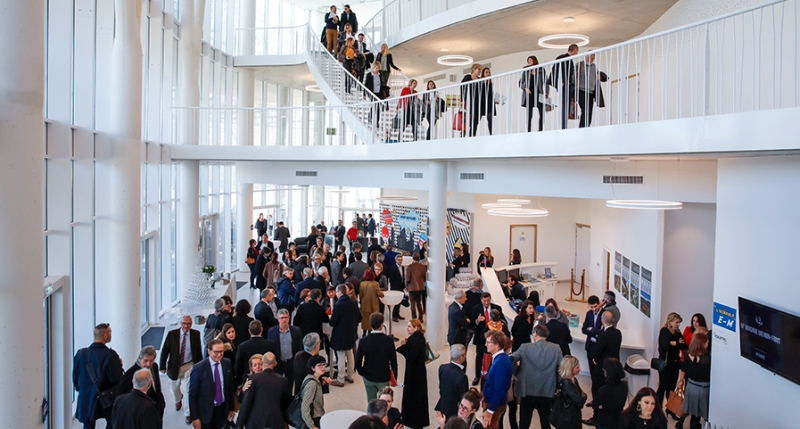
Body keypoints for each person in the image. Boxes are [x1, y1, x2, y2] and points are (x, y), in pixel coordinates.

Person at [510, 324, 563, 429]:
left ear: (535, 334)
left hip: (527, 389)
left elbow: (512, 359)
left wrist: (516, 372)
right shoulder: (556, 348)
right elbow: (562, 368)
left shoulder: (525, 347)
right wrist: (558, 385)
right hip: (547, 389)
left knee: (524, 422)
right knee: (545, 421)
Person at [73, 323, 124, 429]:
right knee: (111, 422)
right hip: (106, 399)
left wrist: (83, 389)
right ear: (105, 335)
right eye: (110, 332)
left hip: (86, 397)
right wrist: (119, 366)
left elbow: (76, 377)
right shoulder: (110, 355)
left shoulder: (81, 354)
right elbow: (115, 379)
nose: (111, 335)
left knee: (88, 425)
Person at [160, 315, 202, 423]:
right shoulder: (172, 334)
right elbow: (165, 351)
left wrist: (200, 367)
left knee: (188, 389)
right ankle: (178, 399)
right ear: (180, 323)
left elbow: (198, 351)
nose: (186, 326)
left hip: (189, 365)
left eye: (188, 324)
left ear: (191, 324)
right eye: (184, 323)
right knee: (175, 388)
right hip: (175, 366)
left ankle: (188, 413)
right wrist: (162, 366)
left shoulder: (195, 334)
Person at [235, 352, 292, 429]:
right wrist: (243, 390)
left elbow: (245, 404)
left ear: (264, 364)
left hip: (256, 421)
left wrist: (239, 425)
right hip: (273, 420)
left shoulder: (253, 379)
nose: (258, 367)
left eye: (260, 364)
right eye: (255, 365)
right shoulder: (282, 380)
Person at [189, 339, 235, 429]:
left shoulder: (227, 363)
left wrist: (231, 408)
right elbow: (192, 395)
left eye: (221, 351)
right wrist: (195, 418)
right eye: (216, 352)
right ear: (209, 351)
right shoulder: (198, 368)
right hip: (205, 413)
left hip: (222, 409)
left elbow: (230, 388)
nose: (219, 354)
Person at [356, 312, 399, 403]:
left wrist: (362, 372)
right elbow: (393, 361)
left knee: (371, 403)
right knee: (384, 404)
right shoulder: (388, 341)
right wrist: (394, 377)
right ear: (382, 325)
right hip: (383, 377)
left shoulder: (364, 341)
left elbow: (358, 361)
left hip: (369, 376)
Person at [397, 319, 430, 429]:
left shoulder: (418, 341)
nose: (407, 328)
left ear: (416, 328)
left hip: (416, 374)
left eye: (409, 326)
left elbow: (411, 357)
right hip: (414, 371)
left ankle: (414, 421)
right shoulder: (415, 339)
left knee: (415, 397)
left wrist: (404, 345)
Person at [118, 346, 165, 423]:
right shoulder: (130, 374)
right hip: (142, 412)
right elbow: (122, 394)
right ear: (139, 359)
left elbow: (157, 386)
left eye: (151, 360)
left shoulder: (155, 367)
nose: (148, 364)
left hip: (157, 408)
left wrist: (161, 403)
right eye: (145, 360)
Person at [676, 332, 711, 429]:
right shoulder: (708, 358)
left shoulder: (688, 355)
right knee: (701, 415)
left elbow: (684, 368)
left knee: (693, 414)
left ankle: (680, 424)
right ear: (702, 344)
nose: (708, 344)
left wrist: (681, 380)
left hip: (691, 387)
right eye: (706, 342)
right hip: (703, 389)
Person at [330, 284, 361, 387]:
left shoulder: (338, 305)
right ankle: (350, 375)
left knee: (341, 356)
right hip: (351, 332)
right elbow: (359, 317)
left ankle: (341, 378)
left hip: (340, 335)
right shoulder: (353, 302)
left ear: (340, 292)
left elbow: (333, 322)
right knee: (350, 354)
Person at [481, 330, 512, 429]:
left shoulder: (501, 362)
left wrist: (490, 410)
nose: (486, 345)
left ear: (497, 345)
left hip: (494, 405)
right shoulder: (500, 358)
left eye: (488, 342)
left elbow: (499, 389)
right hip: (493, 402)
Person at [234, 320, 280, 386]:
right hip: (268, 379)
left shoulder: (242, 347)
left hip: (249, 380)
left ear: (249, 331)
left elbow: (238, 366)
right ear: (261, 330)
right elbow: (277, 362)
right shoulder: (271, 344)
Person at [470, 292, 502, 386]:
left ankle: (492, 375)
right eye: (485, 301)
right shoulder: (476, 309)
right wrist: (477, 320)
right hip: (481, 338)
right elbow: (472, 323)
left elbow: (502, 320)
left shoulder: (497, 308)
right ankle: (477, 376)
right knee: (479, 356)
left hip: (494, 339)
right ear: (481, 300)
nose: (487, 303)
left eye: (488, 300)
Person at [586, 358, 628, 429]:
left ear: (606, 372)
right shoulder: (624, 385)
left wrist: (602, 406)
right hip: (618, 419)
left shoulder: (604, 390)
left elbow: (595, 405)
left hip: (604, 422)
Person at [656, 312, 687, 407]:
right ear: (670, 322)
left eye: (679, 323)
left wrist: (675, 343)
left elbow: (684, 345)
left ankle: (670, 408)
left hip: (675, 363)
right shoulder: (664, 331)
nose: (678, 325)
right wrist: (677, 343)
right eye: (677, 322)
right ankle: (658, 406)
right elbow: (666, 346)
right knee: (663, 386)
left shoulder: (677, 332)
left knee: (672, 387)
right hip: (666, 363)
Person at [267, 309, 303, 388]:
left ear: (289, 318)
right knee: (277, 385)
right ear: (278, 319)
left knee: (290, 385)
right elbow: (270, 347)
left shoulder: (296, 331)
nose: (284, 320)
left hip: (291, 362)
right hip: (278, 363)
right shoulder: (272, 331)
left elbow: (299, 346)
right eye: (282, 318)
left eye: (286, 317)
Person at [589, 311, 622, 398]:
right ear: (613, 320)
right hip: (615, 363)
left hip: (603, 364)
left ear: (602, 321)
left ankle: (597, 400)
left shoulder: (603, 335)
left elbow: (598, 350)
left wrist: (595, 359)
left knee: (597, 384)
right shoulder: (618, 333)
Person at [548, 43, 578, 129]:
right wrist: (559, 82)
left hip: (569, 85)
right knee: (565, 104)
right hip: (563, 84)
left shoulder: (569, 59)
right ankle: (564, 124)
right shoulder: (562, 58)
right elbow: (556, 70)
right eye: (576, 51)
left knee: (568, 102)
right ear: (574, 50)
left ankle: (569, 116)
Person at [436, 344, 470, 420]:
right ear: (461, 357)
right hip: (454, 410)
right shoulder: (462, 377)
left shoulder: (442, 368)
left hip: (443, 405)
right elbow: (463, 397)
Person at [556, 355, 588, 429]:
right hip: (570, 416)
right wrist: (584, 395)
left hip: (572, 414)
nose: (580, 369)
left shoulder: (572, 379)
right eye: (577, 367)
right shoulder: (567, 383)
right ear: (569, 369)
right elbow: (579, 400)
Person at [576, 52, 606, 128]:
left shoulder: (594, 67)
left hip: (590, 92)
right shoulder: (579, 65)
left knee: (589, 111)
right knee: (585, 110)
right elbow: (573, 77)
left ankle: (586, 127)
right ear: (585, 57)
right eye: (588, 57)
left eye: (592, 58)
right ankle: (582, 128)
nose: (590, 59)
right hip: (581, 90)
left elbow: (598, 76)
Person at [300, 355, 328, 429]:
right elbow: (305, 406)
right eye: (319, 365)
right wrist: (312, 426)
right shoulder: (312, 384)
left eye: (324, 364)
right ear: (313, 368)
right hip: (314, 417)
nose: (323, 367)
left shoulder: (314, 378)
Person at [520, 56, 546, 132]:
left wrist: (547, 92)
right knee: (529, 114)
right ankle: (528, 130)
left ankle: (541, 129)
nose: (529, 62)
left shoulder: (541, 70)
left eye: (530, 60)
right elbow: (521, 82)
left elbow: (546, 82)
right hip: (529, 94)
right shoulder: (526, 70)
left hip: (539, 93)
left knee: (541, 112)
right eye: (528, 61)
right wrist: (525, 88)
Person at [581, 295, 603, 378]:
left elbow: (603, 332)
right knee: (591, 368)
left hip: (599, 345)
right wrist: (596, 332)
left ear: (599, 304)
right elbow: (584, 329)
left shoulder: (604, 314)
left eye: (595, 306)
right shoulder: (589, 313)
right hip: (590, 345)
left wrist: (592, 330)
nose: (594, 309)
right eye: (592, 307)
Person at [460, 63, 482, 137]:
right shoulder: (467, 77)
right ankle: (463, 133)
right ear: (473, 69)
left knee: (476, 118)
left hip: (477, 101)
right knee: (467, 117)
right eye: (478, 69)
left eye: (480, 69)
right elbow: (462, 88)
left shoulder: (480, 79)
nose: (480, 71)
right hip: (468, 100)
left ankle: (472, 133)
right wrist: (462, 100)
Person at [360, 270, 385, 334]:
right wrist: (382, 294)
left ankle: (363, 333)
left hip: (365, 305)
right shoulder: (376, 284)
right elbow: (379, 293)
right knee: (373, 319)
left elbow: (361, 295)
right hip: (374, 305)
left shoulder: (362, 284)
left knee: (365, 320)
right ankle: (369, 333)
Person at [406, 252, 427, 320]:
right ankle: (420, 318)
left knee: (412, 304)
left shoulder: (410, 267)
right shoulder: (423, 267)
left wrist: (406, 286)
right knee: (419, 303)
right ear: (419, 258)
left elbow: (407, 279)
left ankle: (414, 318)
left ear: (412, 258)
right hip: (420, 287)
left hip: (412, 288)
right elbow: (424, 278)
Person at [475, 67, 497, 135]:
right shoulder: (480, 83)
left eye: (489, 72)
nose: (488, 74)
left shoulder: (490, 83)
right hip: (482, 102)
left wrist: (495, 100)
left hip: (489, 102)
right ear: (483, 74)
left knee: (490, 119)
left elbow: (490, 94)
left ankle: (491, 133)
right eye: (486, 72)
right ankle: (472, 133)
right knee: (477, 119)